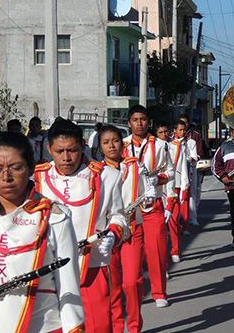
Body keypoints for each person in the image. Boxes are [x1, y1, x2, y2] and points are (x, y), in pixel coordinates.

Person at [0, 132, 84, 332]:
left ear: (30, 168)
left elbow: (69, 286)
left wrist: (74, 328)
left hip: (42, 326)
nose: (6, 177)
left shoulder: (54, 216)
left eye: (16, 168)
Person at [33, 119, 127, 332]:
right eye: (59, 151)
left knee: (97, 327)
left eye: (72, 150)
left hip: (91, 266)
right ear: (49, 149)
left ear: (83, 145)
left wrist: (112, 234)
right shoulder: (37, 178)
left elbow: (119, 217)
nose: (66, 158)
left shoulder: (107, 176)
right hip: (49, 272)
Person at [123, 107, 174, 308]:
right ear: (129, 123)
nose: (139, 123)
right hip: (130, 209)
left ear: (148, 122)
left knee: (158, 251)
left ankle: (159, 292)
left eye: (143, 119)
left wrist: (156, 180)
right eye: (135, 120)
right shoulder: (122, 145)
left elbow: (170, 171)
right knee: (132, 255)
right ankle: (134, 291)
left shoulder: (161, 145)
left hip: (153, 206)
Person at [99, 125, 145, 333]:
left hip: (132, 229)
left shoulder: (135, 166)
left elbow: (146, 195)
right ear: (100, 146)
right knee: (114, 286)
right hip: (108, 234)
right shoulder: (96, 173)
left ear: (122, 143)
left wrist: (151, 192)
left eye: (115, 141)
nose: (111, 145)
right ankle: (117, 328)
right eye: (106, 142)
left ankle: (134, 326)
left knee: (132, 282)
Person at [159, 121, 188, 263]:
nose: (164, 135)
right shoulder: (151, 148)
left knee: (173, 220)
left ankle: (175, 250)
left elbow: (183, 170)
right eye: (160, 133)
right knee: (160, 225)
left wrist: (184, 188)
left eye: (165, 132)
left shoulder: (176, 146)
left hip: (174, 187)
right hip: (158, 190)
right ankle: (161, 255)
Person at [178, 113, 207, 226]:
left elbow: (199, 152)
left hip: (191, 167)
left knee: (193, 192)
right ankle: (180, 218)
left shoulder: (195, 136)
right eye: (181, 124)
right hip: (178, 169)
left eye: (185, 123)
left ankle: (192, 217)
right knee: (180, 193)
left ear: (188, 123)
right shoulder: (173, 136)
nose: (183, 126)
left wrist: (192, 159)